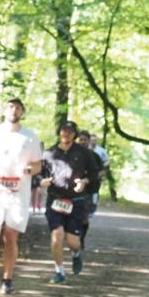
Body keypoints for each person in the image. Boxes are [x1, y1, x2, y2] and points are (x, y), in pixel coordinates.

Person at [0, 98, 42, 294]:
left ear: (22, 112)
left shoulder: (30, 137)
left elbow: (38, 165)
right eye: (10, 106)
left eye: (17, 107)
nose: (13, 110)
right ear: (4, 110)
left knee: (10, 236)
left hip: (18, 192)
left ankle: (8, 278)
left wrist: (28, 169)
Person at [40, 121, 99, 284]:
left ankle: (76, 254)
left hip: (76, 201)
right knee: (56, 236)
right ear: (59, 132)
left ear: (75, 134)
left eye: (71, 132)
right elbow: (39, 174)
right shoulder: (49, 153)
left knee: (73, 241)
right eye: (64, 131)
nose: (67, 134)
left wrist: (84, 182)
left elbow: (94, 174)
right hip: (55, 200)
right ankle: (59, 271)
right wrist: (42, 181)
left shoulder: (84, 153)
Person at [75, 130, 107, 249]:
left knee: (84, 216)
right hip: (73, 190)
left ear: (89, 141)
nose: (82, 142)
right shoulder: (72, 155)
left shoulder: (94, 156)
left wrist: (92, 177)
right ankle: (73, 235)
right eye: (80, 139)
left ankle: (81, 238)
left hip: (89, 190)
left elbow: (102, 170)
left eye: (85, 140)